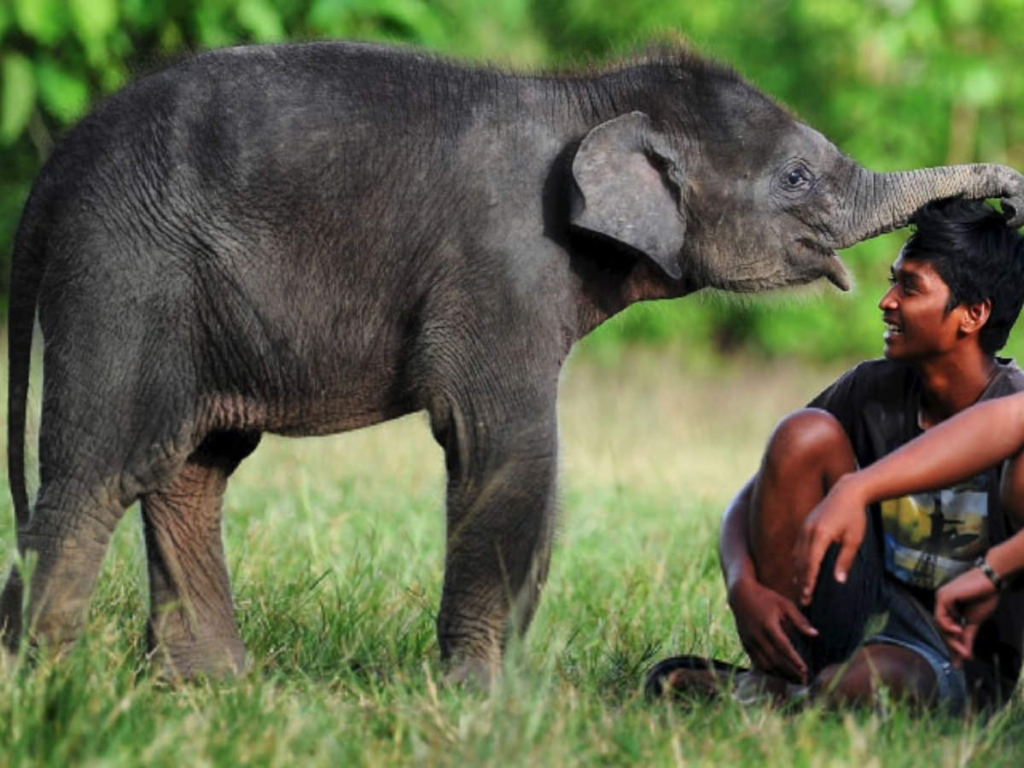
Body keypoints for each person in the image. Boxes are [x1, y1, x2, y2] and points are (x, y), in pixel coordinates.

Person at [649, 198, 1024, 714]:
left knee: (864, 685)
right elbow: (756, 491)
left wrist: (858, 488)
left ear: (973, 314)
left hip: (952, 658)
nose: (886, 301)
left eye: (910, 287)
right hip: (860, 609)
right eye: (893, 281)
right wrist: (742, 584)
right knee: (804, 433)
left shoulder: (1013, 404)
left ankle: (774, 697)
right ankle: (781, 679)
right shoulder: (871, 388)